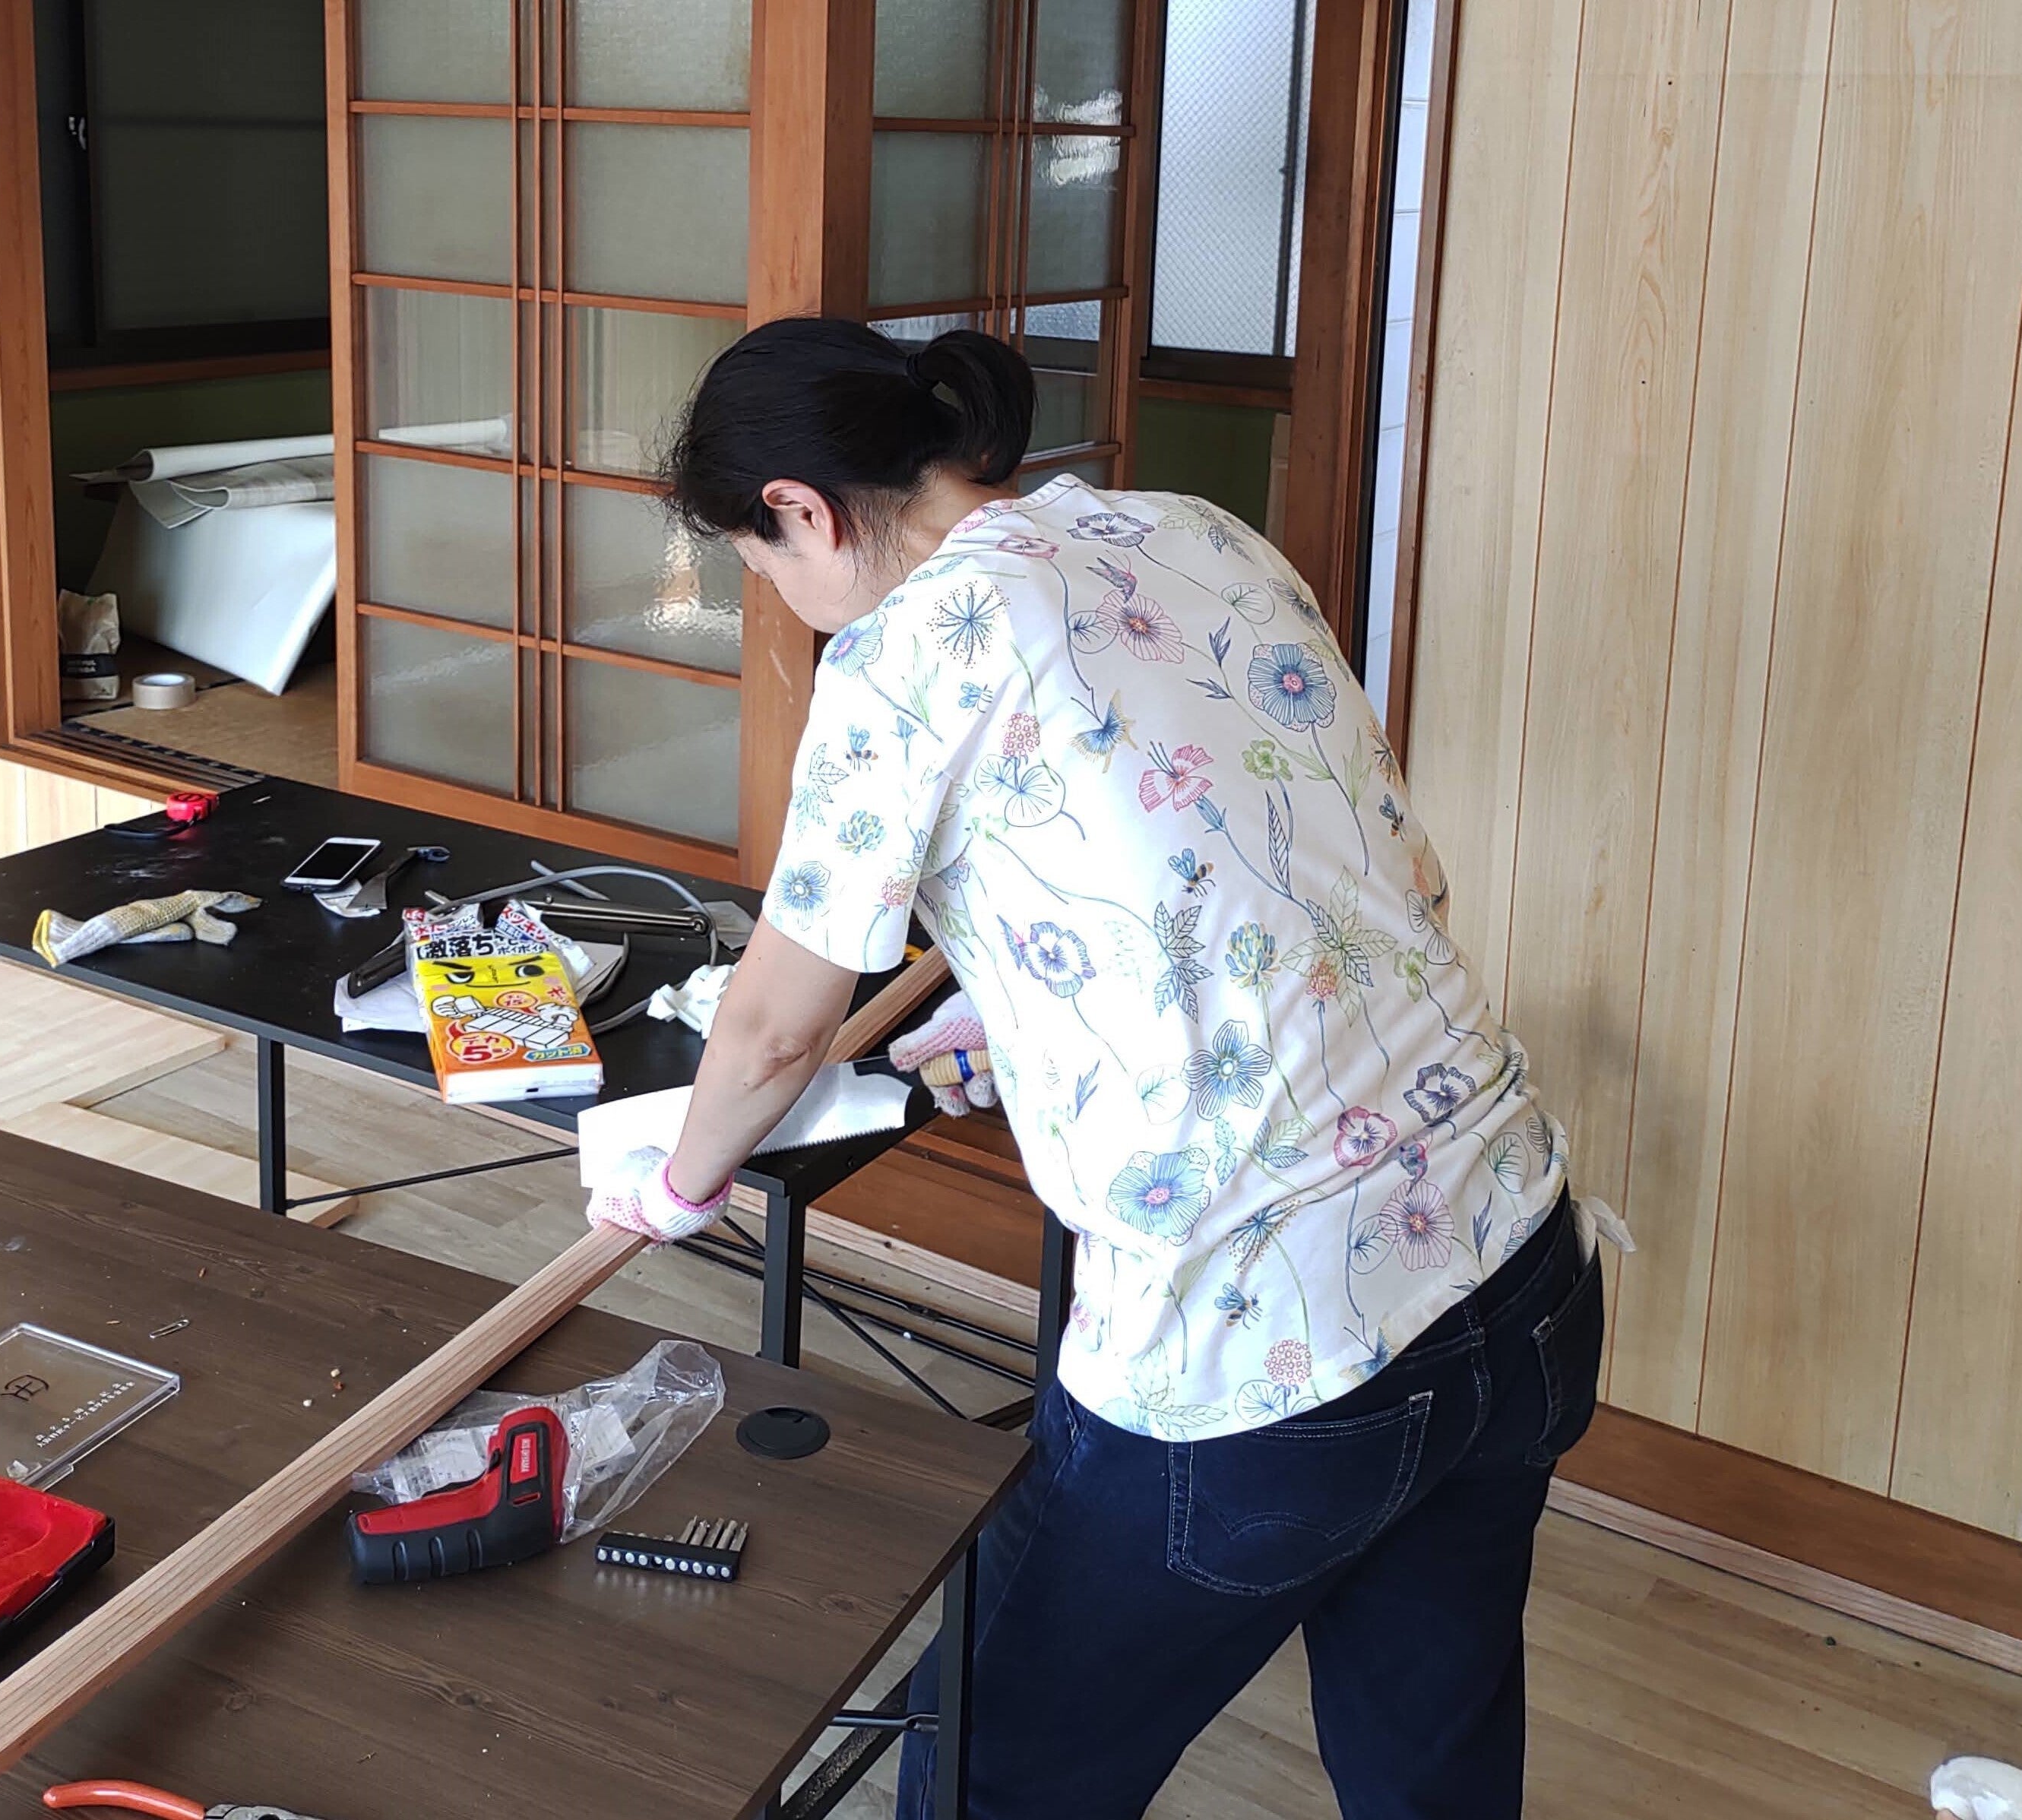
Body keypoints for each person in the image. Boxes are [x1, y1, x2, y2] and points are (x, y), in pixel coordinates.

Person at [584, 318, 1616, 1820]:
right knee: (1431, 1765)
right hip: (1513, 1250)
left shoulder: (912, 649)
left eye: (764, 565)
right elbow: (1273, 855)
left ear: (802, 509)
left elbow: (773, 1031)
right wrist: (1023, 1003)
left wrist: (680, 1185)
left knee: (995, 1765)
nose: (785, 602)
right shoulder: (1184, 529)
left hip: (1263, 1337)